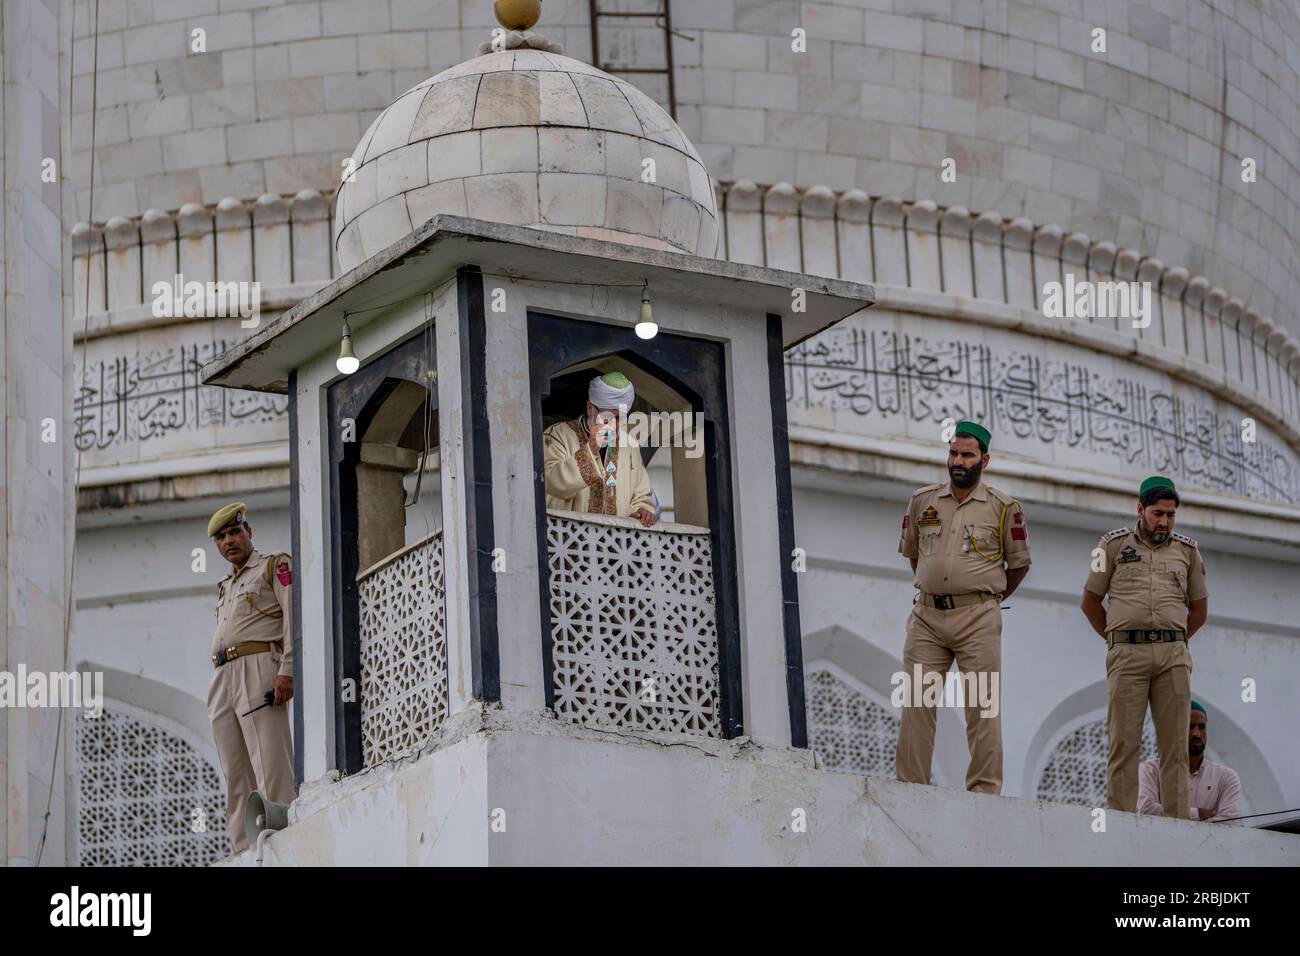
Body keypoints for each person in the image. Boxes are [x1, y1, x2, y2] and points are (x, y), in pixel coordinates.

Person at [895, 421, 1031, 794]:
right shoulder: (923, 501)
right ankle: (910, 789)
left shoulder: (1004, 508)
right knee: (917, 702)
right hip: (926, 617)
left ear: (984, 460)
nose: (958, 461)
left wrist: (983, 597)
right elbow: (915, 556)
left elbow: (1018, 565)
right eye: (953, 453)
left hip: (978, 619)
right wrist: (939, 587)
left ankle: (984, 792)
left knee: (981, 706)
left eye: (967, 455)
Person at [1080, 475, 1208, 818]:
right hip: (1127, 654)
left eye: (1170, 514)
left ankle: (1177, 824)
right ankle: (1120, 820)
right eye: (1157, 513)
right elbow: (1090, 602)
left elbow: (1199, 610)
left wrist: (1175, 642)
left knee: (1176, 748)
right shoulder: (1110, 545)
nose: (1164, 521)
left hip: (1173, 657)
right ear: (1140, 510)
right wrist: (1117, 640)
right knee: (1124, 743)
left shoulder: (1188, 551)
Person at [206, 501, 297, 853]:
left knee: (269, 760)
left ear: (249, 532)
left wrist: (287, 670)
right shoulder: (225, 584)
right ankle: (244, 851)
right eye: (221, 537)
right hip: (223, 675)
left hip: (258, 667)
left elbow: (292, 618)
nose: (229, 541)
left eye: (234, 532)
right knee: (235, 770)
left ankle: (284, 842)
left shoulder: (274, 565)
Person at [542, 371, 658, 526]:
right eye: (610, 416)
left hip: (617, 544)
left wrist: (642, 510)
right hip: (569, 541)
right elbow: (551, 484)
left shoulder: (630, 445)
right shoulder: (558, 435)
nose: (615, 425)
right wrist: (590, 448)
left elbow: (641, 496)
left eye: (621, 418)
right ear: (590, 408)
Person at [1137, 700, 1242, 822]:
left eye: (1202, 727)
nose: (1196, 733)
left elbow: (1229, 822)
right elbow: (1146, 809)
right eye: (1190, 726)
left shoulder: (1226, 777)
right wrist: (1198, 814)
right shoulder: (1152, 770)